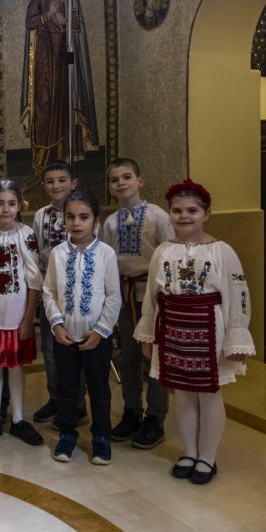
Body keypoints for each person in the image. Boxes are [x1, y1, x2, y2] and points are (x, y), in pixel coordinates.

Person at [136, 179, 255, 484]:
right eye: (177, 210)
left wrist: (236, 336)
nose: (184, 216)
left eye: (192, 210)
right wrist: (148, 333)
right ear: (169, 214)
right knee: (184, 394)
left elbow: (238, 293)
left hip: (208, 325)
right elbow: (151, 294)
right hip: (172, 326)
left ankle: (207, 457)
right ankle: (189, 451)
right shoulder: (163, 251)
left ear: (206, 214)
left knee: (209, 393)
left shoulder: (221, 250)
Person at [42, 189, 121, 465]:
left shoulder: (106, 254)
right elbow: (49, 291)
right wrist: (56, 324)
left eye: (84, 217)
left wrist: (100, 331)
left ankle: (101, 436)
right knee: (67, 387)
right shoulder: (58, 253)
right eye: (71, 217)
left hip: (95, 336)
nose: (76, 223)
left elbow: (113, 296)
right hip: (65, 334)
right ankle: (67, 432)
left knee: (99, 387)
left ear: (95, 220)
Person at [101, 158, 174, 450]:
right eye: (115, 179)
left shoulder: (158, 217)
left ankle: (156, 418)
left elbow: (169, 256)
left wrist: (163, 297)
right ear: (110, 187)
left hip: (153, 298)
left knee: (153, 359)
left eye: (127, 177)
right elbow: (108, 260)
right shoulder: (110, 222)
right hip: (124, 295)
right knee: (128, 357)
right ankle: (132, 411)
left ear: (140, 181)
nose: (121, 183)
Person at [0, 181, 44, 447]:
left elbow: (34, 280)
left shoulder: (25, 234)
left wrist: (28, 318)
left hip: (16, 316)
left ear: (20, 206)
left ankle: (19, 419)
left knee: (15, 368)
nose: (5, 209)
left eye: (11, 204)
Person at [21, 0, 98, 181]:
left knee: (65, 104)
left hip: (65, 60)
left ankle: (65, 157)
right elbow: (30, 22)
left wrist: (66, 21)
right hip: (44, 60)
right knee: (44, 104)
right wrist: (47, 16)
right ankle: (41, 162)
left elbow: (77, 26)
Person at [31, 160, 85, 425]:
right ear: (44, 185)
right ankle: (56, 398)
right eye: (50, 181)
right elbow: (37, 253)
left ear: (73, 183)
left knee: (77, 349)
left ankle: (77, 402)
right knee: (51, 351)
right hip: (49, 293)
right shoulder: (41, 215)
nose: (56, 185)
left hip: (78, 293)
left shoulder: (83, 212)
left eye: (62, 180)